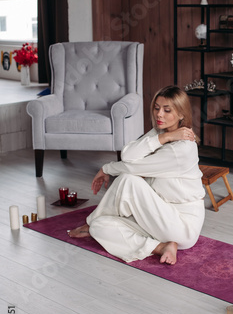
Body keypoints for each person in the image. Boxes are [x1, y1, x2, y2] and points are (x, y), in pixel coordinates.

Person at [69, 86, 205, 265]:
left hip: (181, 224)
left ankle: (90, 222)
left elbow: (134, 167)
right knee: (99, 227)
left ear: (181, 114)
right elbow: (128, 154)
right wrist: (164, 137)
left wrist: (107, 168)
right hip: (156, 215)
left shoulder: (183, 149)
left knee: (128, 180)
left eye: (167, 110)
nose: (159, 115)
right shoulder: (160, 132)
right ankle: (160, 247)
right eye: (157, 108)